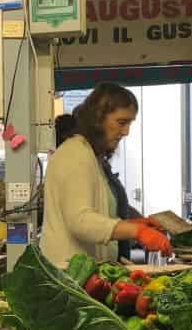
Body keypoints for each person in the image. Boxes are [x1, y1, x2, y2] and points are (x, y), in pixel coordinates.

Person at [40, 84, 172, 266]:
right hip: (69, 276)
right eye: (121, 122)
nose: (126, 132)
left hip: (82, 275)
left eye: (130, 123)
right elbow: (81, 221)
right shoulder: (75, 154)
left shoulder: (89, 154)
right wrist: (137, 232)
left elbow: (96, 214)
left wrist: (137, 223)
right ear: (98, 119)